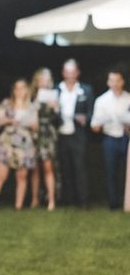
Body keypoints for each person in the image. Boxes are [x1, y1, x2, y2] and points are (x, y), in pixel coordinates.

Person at [0, 79, 39, 210]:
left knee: (22, 176)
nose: (19, 91)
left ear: (27, 90)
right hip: (7, 143)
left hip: (24, 144)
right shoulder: (6, 104)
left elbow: (36, 126)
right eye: (17, 88)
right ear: (13, 90)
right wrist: (9, 120)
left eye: (22, 88)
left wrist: (30, 124)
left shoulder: (31, 106)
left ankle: (18, 206)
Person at [57, 59, 94, 207]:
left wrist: (85, 118)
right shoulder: (57, 89)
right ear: (63, 73)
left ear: (78, 73)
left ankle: (83, 200)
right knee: (64, 167)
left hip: (78, 135)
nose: (70, 75)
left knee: (80, 167)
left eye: (73, 72)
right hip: (61, 134)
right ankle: (68, 199)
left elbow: (92, 112)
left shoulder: (86, 89)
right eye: (67, 72)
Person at [90, 70, 130, 210]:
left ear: (122, 81)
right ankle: (113, 203)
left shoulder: (128, 99)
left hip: (126, 138)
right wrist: (101, 123)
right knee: (111, 171)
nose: (115, 84)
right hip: (109, 139)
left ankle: (127, 201)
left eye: (117, 80)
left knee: (126, 172)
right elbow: (94, 126)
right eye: (112, 80)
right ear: (108, 82)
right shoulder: (101, 100)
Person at [30, 68, 60, 211]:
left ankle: (51, 200)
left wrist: (55, 109)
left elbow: (57, 119)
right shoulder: (31, 95)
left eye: (47, 80)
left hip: (47, 134)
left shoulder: (53, 96)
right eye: (42, 79)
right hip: (33, 133)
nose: (45, 82)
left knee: (48, 167)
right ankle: (35, 199)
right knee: (34, 168)